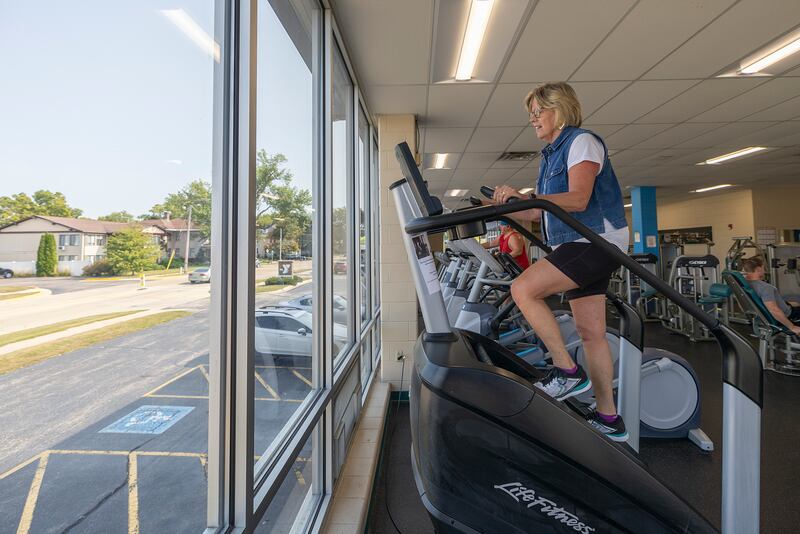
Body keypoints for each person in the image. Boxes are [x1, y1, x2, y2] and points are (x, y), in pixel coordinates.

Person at [486, 82, 630, 442]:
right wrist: (504, 206)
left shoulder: (581, 141)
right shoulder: (550, 156)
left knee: (523, 289)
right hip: (578, 242)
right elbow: (539, 212)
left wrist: (528, 197)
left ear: (560, 109)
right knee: (591, 333)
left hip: (594, 240)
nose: (533, 119)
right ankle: (609, 417)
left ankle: (567, 371)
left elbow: (579, 198)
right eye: (530, 114)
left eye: (539, 111)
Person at [741, 256, 800, 335]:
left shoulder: (744, 285)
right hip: (788, 314)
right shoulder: (765, 288)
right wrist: (792, 327)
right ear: (758, 269)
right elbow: (774, 310)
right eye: (763, 268)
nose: (764, 271)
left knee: (796, 302)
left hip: (778, 307)